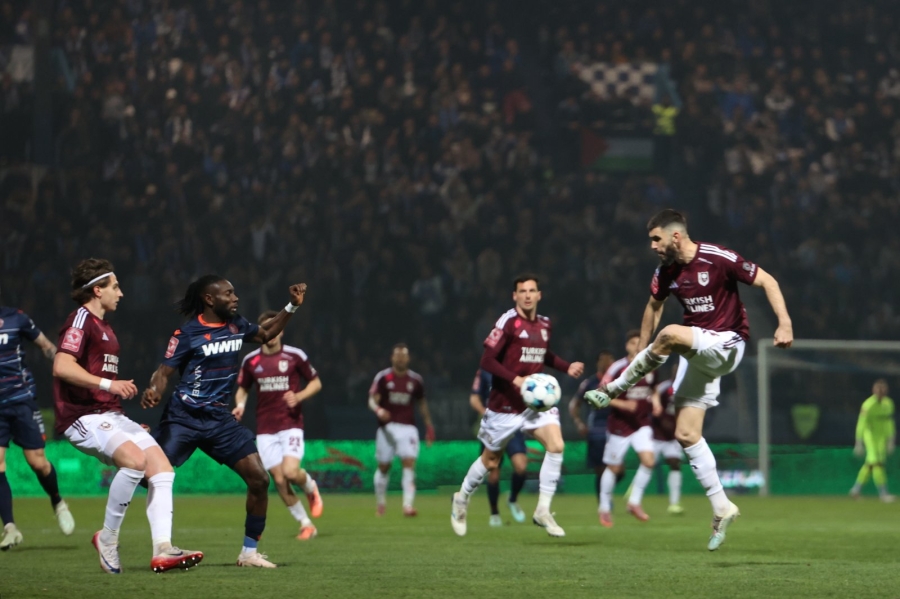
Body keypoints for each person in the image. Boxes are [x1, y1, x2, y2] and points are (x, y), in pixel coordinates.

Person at [586, 209, 793, 550]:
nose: (652, 246)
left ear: (676, 236)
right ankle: (722, 507)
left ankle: (614, 388)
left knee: (669, 335)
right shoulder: (665, 272)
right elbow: (653, 306)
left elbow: (768, 281)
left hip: (728, 343)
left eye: (656, 239)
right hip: (697, 351)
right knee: (686, 433)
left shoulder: (718, 258)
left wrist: (784, 323)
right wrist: (641, 351)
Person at [141, 276, 306, 568]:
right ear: (209, 299)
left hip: (219, 420)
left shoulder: (236, 325)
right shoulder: (186, 333)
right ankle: (117, 522)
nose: (235, 298)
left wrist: (292, 305)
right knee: (148, 476)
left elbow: (267, 333)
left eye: (234, 293)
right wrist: (154, 389)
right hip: (184, 418)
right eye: (228, 293)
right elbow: (163, 372)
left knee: (259, 479)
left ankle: (249, 553)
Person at [52, 259, 202, 573]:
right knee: (134, 461)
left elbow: (101, 387)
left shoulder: (106, 327)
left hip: (108, 414)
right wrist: (110, 385)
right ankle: (107, 539)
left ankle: (163, 549)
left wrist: (124, 423)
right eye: (115, 287)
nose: (121, 293)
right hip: (82, 416)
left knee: (162, 469)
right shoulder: (81, 318)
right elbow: (62, 366)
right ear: (97, 290)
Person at [451, 274, 585, 538]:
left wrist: (566, 366)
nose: (527, 295)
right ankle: (461, 498)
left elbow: (543, 353)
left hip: (534, 403)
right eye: (522, 291)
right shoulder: (508, 322)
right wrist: (516, 379)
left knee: (556, 445)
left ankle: (543, 510)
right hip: (504, 405)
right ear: (515, 296)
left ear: (539, 295)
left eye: (531, 290)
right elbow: (487, 360)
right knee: (490, 461)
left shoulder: (545, 324)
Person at [233, 310, 324, 540]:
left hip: (291, 423)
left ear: (281, 330)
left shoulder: (295, 356)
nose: (271, 334)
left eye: (275, 328)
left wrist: (299, 396)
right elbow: (243, 389)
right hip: (265, 429)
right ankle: (306, 524)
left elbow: (316, 383)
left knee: (291, 472)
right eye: (266, 329)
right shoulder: (251, 361)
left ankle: (310, 487)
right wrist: (240, 405)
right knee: (280, 479)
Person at [0, 289, 74, 550]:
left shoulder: (16, 318)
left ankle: (57, 501)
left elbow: (46, 346)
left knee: (38, 462)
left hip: (21, 400)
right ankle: (10, 528)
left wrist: (67, 366)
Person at [597, 331, 657, 527]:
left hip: (641, 423)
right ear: (627, 346)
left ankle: (634, 502)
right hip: (619, 425)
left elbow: (653, 388)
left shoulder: (651, 364)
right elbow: (600, 392)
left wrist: (656, 401)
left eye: (641, 342)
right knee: (614, 468)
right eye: (633, 343)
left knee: (649, 461)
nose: (637, 346)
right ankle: (604, 508)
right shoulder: (617, 368)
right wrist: (623, 404)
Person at [368, 344, 434, 517]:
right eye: (397, 355)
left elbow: (422, 404)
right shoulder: (383, 378)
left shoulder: (415, 380)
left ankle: (407, 505)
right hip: (386, 429)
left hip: (408, 428)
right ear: (392, 358)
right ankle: (381, 503)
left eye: (403, 355)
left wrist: (429, 426)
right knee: (384, 467)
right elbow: (372, 400)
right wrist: (379, 410)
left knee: (409, 464)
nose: (400, 359)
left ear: (408, 358)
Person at [469, 368, 528, 526]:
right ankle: (494, 513)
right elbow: (474, 398)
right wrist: (484, 411)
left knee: (521, 466)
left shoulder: (518, 367)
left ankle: (512, 499)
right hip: (492, 427)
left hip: (513, 424)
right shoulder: (485, 371)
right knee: (493, 474)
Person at [568, 350, 616, 517]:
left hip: (616, 430)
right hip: (596, 431)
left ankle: (606, 494)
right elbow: (574, 405)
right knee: (601, 470)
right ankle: (603, 502)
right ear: (598, 363)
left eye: (610, 360)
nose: (607, 363)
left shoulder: (619, 381)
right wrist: (579, 423)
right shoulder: (590, 383)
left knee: (619, 469)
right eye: (604, 360)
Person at [850, 379, 895, 502]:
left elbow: (889, 423)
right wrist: (859, 442)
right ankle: (883, 494)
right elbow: (861, 424)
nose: (881, 391)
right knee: (878, 463)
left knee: (870, 465)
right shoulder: (868, 405)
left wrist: (891, 439)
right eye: (878, 389)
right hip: (870, 437)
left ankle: (856, 490)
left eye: (883, 389)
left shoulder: (889, 404)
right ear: (874, 390)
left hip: (881, 438)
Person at [651, 367, 684, 514]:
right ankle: (634, 497)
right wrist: (662, 419)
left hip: (673, 436)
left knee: (675, 464)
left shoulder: (687, 389)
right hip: (656, 436)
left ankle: (674, 503)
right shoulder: (663, 388)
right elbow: (652, 403)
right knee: (647, 465)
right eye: (675, 369)